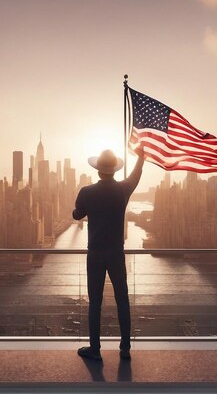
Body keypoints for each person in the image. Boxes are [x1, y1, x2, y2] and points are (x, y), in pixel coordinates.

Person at [73, 147, 145, 361]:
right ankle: (125, 348)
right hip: (116, 253)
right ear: (114, 170)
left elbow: (77, 215)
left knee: (95, 301)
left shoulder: (87, 192)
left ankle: (95, 348)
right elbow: (136, 175)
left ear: (98, 170)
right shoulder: (123, 189)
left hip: (95, 254)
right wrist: (141, 157)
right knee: (122, 299)